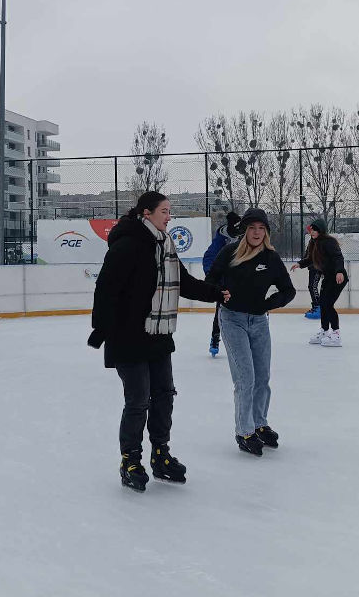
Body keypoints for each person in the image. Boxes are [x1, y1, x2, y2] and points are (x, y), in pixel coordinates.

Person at [88, 191, 228, 492]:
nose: (169, 216)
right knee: (138, 400)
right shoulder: (127, 245)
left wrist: (216, 292)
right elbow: (106, 289)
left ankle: (161, 454)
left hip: (159, 334)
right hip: (128, 335)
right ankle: (130, 460)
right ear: (146, 213)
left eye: (169, 211)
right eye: (164, 211)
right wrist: (101, 329)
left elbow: (183, 283)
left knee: (164, 394)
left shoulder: (165, 244)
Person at [206, 208, 295, 456]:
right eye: (252, 228)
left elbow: (288, 291)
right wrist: (220, 292)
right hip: (232, 319)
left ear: (266, 231)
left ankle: (259, 423)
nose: (256, 233)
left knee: (262, 377)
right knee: (246, 378)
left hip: (259, 322)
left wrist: (268, 304)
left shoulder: (271, 258)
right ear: (245, 230)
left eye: (261, 228)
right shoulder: (230, 252)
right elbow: (211, 278)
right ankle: (244, 430)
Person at [290, 218, 347, 347]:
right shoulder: (313, 243)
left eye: (315, 229)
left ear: (321, 230)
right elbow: (310, 259)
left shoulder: (329, 242)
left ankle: (336, 334)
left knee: (328, 304)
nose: (313, 232)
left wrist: (339, 272)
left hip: (338, 277)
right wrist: (299, 264)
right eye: (312, 229)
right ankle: (325, 331)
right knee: (323, 304)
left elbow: (338, 257)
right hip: (327, 277)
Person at [201, 211, 240, 356]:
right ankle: (215, 338)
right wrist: (212, 277)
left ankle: (243, 341)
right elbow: (209, 257)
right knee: (221, 311)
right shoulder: (220, 239)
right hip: (225, 282)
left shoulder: (246, 236)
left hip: (242, 281)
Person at [303, 224, 323, 320]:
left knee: (313, 286)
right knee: (311, 286)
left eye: (312, 231)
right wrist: (303, 262)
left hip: (317, 268)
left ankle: (318, 307)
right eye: (310, 231)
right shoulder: (312, 241)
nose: (310, 233)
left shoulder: (319, 242)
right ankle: (316, 306)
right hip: (312, 268)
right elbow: (307, 254)